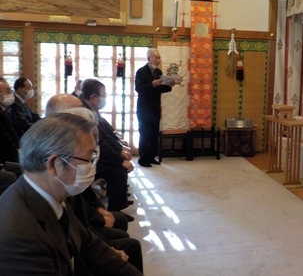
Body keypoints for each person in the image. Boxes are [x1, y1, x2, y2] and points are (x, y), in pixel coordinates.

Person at [0, 113, 143, 275]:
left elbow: (91, 245)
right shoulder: (18, 237)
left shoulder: (51, 196)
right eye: (89, 158)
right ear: (54, 164)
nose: (92, 165)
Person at [80, 79, 134, 213]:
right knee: (118, 170)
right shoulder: (86, 113)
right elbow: (100, 142)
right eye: (104, 95)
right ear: (93, 97)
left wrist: (120, 149)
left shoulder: (92, 109)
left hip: (95, 154)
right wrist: (120, 160)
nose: (105, 98)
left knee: (120, 166)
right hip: (85, 159)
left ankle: (119, 205)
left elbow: (105, 133)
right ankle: (115, 211)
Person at [135, 48, 175, 167]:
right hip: (144, 108)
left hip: (155, 108)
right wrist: (152, 83)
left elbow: (161, 89)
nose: (158, 60)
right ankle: (143, 159)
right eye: (156, 57)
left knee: (154, 134)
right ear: (149, 58)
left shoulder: (158, 72)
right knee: (145, 134)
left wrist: (169, 85)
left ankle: (152, 157)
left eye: (159, 57)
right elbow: (139, 89)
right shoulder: (141, 72)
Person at [0, 77, 22, 182]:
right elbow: (4, 138)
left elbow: (12, 132)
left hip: (8, 153)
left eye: (10, 91)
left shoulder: (5, 110)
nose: (10, 94)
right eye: (7, 91)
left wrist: (19, 148)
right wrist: (17, 154)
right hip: (4, 155)